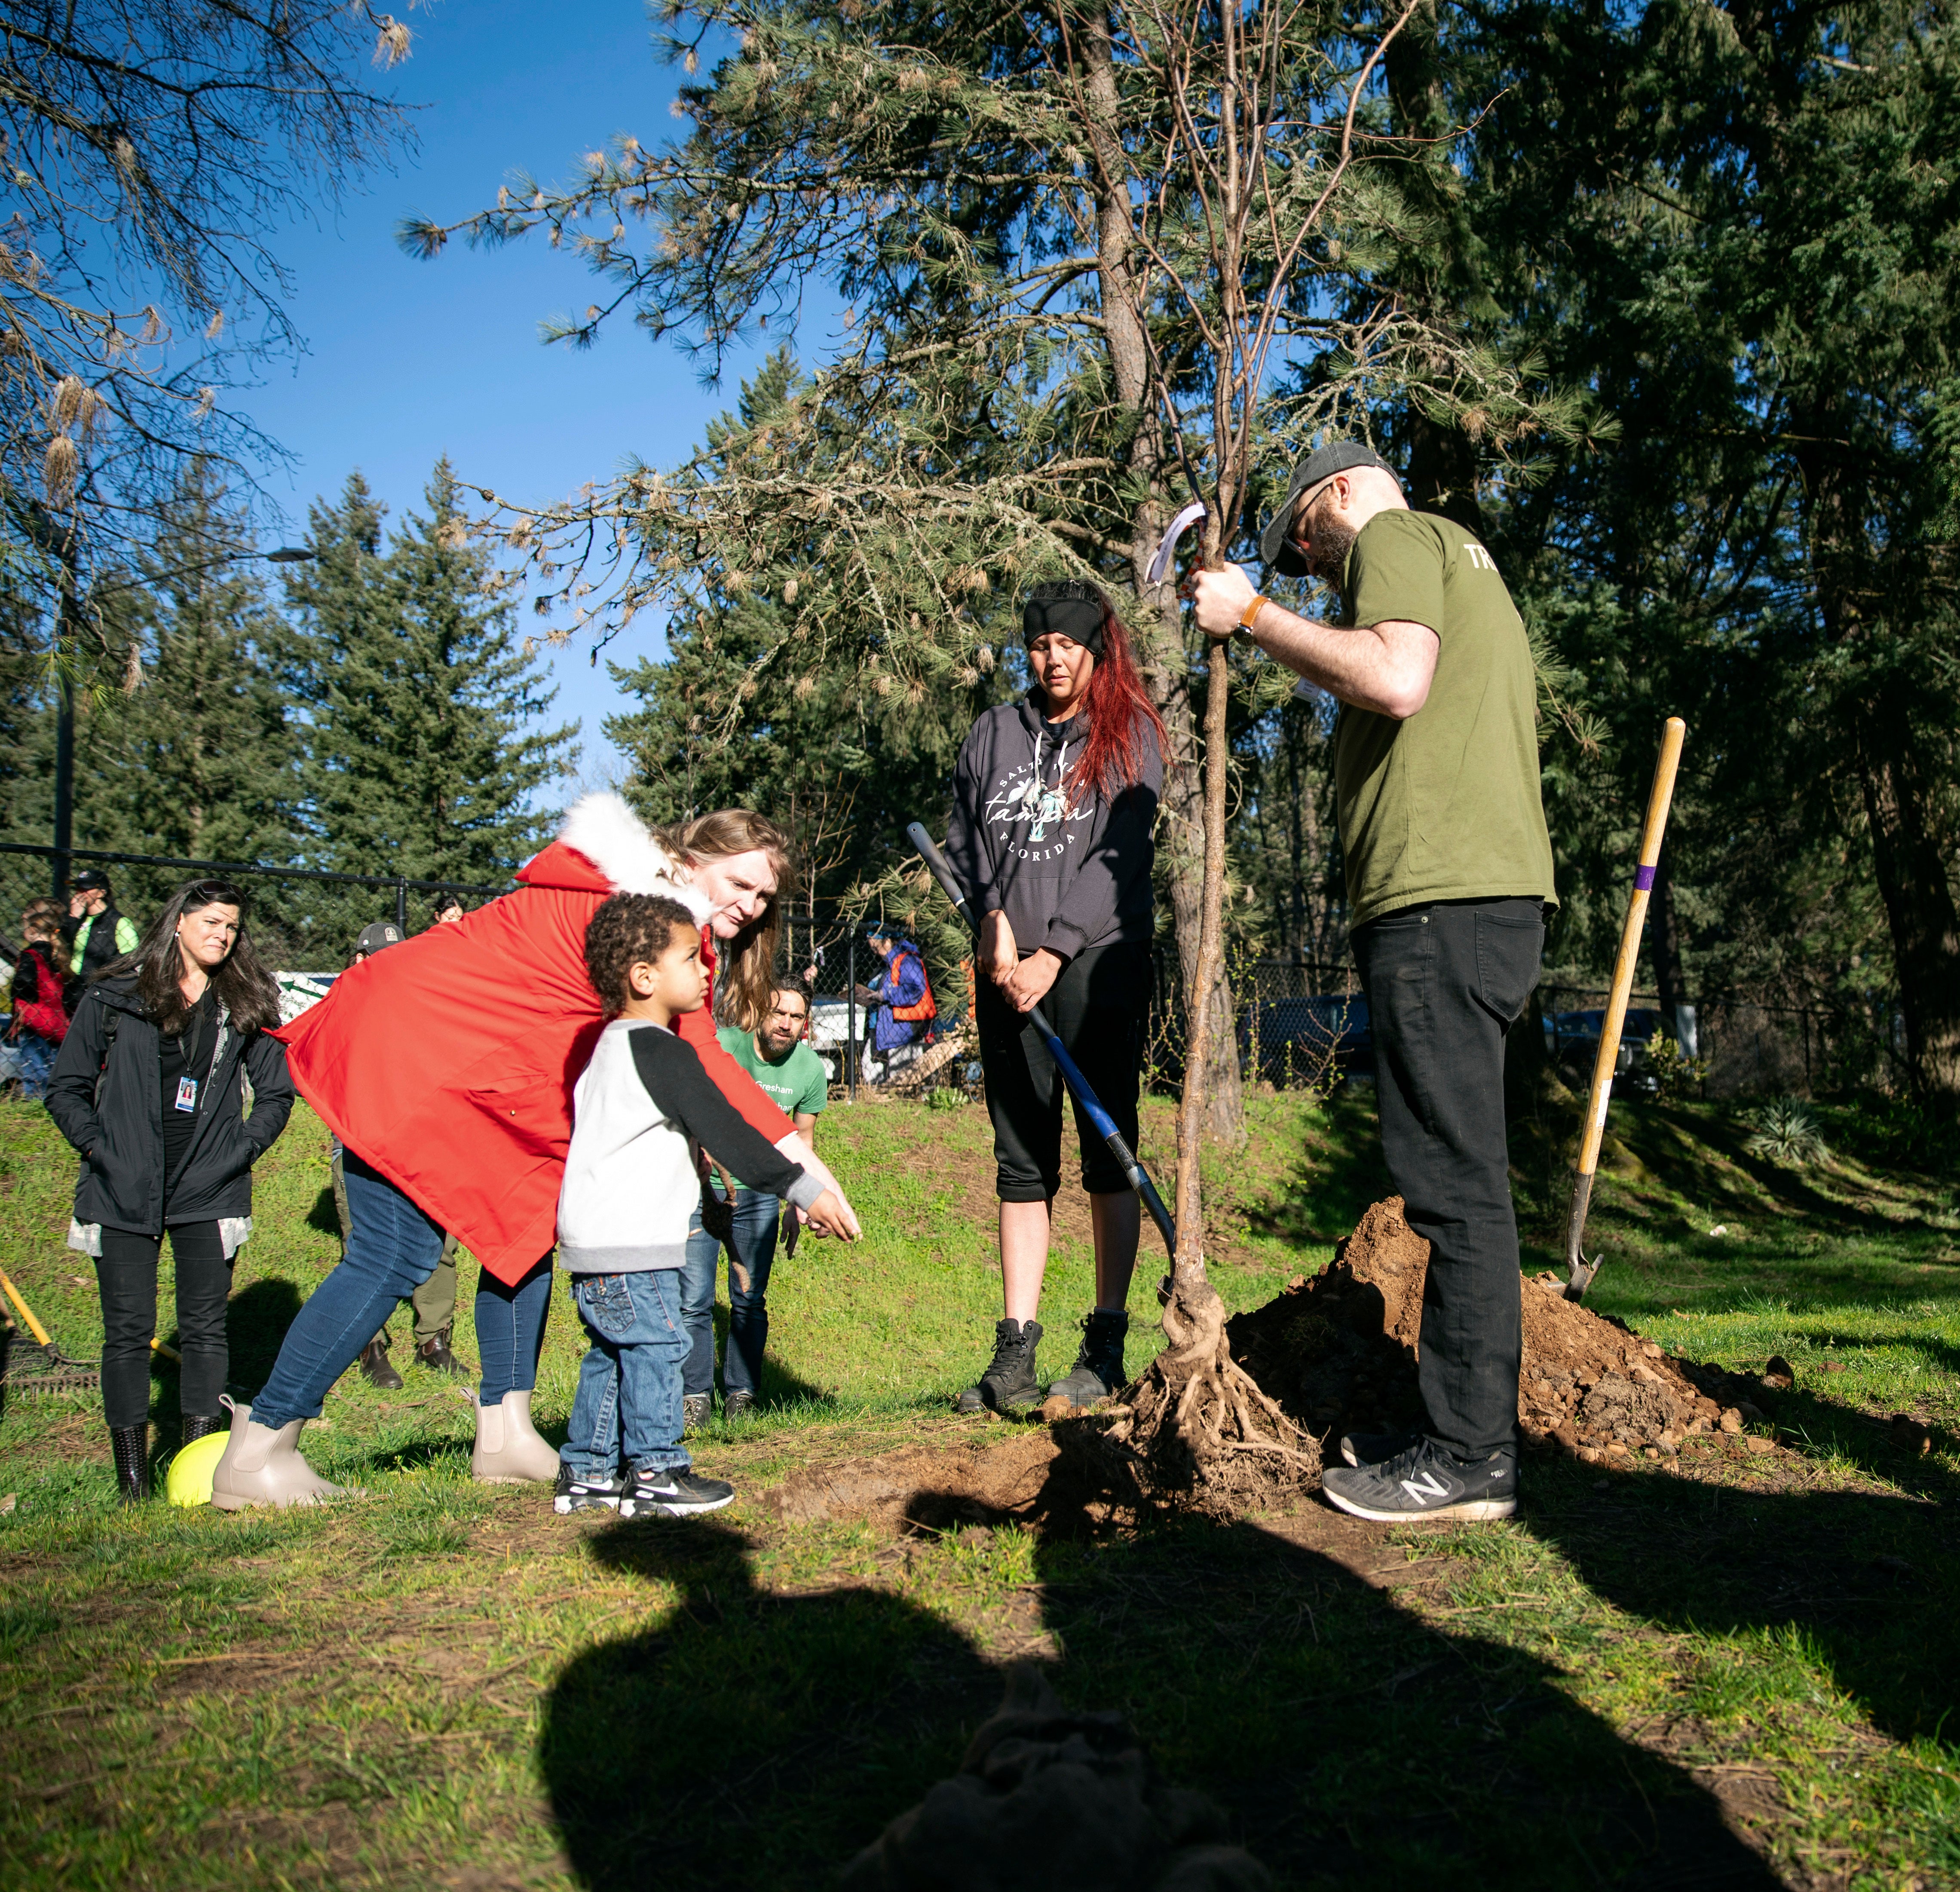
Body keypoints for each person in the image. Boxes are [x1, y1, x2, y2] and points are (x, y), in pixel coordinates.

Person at [208, 793, 860, 1510]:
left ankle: (505, 1430)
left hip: (487, 1084)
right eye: (741, 884)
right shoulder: (641, 920)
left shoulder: (657, 919)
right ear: (693, 858)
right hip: (411, 1049)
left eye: (766, 894)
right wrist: (804, 1171)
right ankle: (261, 1446)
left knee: (522, 1232)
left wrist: (802, 1162)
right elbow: (705, 1065)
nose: (754, 904)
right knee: (395, 1251)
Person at [1191, 441, 1556, 1524]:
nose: (1310, 563)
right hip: (1476, 901)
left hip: (1441, 901)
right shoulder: (1460, 554)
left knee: (1452, 1182)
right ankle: (1460, 1431)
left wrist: (1251, 615)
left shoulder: (1393, 534)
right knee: (1459, 1171)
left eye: (1303, 536)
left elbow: (1394, 677)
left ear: (1340, 491)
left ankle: (1469, 1454)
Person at [554, 897, 854, 1515]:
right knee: (661, 1346)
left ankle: (587, 1471)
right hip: (635, 1243)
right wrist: (805, 1189)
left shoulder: (608, 1046)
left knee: (613, 1352)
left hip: (593, 1241)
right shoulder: (661, 1051)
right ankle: (658, 1470)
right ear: (644, 977)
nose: (706, 970)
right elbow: (728, 1131)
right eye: (691, 958)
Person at [944, 578, 1165, 1416]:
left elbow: (1123, 860)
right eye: (1039, 645)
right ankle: (1014, 1353)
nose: (1052, 658)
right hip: (1006, 970)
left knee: (1109, 1152)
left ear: (1094, 646)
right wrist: (991, 919)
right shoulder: (995, 732)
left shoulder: (1129, 732)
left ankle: (1105, 1343)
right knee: (1021, 1160)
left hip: (1097, 965)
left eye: (1067, 644)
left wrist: (1055, 950)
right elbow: (966, 839)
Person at [44, 879, 294, 1503]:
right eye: (212, 921)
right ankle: (131, 1479)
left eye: (232, 926)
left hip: (208, 1190)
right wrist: (103, 1151)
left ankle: (198, 1464)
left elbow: (276, 1092)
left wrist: (238, 1153)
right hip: (121, 1190)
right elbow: (66, 1087)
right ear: (179, 922)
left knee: (206, 1331)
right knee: (126, 1334)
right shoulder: (115, 993)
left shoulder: (242, 1002)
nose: (222, 934)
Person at [681, 976, 829, 1424]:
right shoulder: (722, 1046)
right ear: (760, 1012)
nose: (785, 1023)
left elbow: (802, 1141)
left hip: (761, 1196)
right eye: (778, 1012)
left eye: (796, 1017)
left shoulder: (809, 1070)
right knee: (693, 1299)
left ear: (806, 1024)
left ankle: (741, 1393)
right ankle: (694, 1397)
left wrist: (795, 1203)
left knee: (749, 1298)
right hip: (702, 1192)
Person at [336, 922, 467, 1389]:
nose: (390, 965)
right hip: (361, 1142)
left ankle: (434, 1341)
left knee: (439, 1243)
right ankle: (369, 1346)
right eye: (378, 956)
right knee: (367, 1247)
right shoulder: (342, 1006)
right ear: (359, 960)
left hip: (426, 1139)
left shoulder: (428, 1004)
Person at [4, 900, 70, 1099]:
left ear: (32, 931)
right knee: (53, 1067)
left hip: (34, 1022)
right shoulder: (58, 956)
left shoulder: (29, 955)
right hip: (56, 1021)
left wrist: (18, 995)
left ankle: (37, 1101)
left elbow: (24, 980)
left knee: (35, 1069)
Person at [852, 932, 936, 1084]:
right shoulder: (886, 965)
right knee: (870, 1069)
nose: (873, 950)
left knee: (902, 1078)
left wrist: (887, 994)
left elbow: (915, 989)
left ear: (888, 941)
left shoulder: (907, 961)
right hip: (883, 1026)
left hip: (902, 1028)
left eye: (875, 945)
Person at [61, 868, 140, 1004]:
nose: (80, 893)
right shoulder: (75, 919)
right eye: (78, 888)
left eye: (86, 889)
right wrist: (73, 918)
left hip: (101, 993)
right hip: (72, 991)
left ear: (101, 893)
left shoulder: (119, 922)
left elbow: (133, 960)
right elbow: (62, 944)